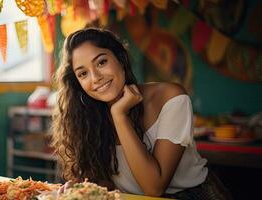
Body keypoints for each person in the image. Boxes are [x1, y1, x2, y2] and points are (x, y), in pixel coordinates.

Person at [50, 27, 231, 199]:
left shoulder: (171, 97)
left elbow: (154, 187)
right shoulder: (88, 117)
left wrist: (119, 116)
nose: (95, 78)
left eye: (101, 62)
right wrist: (82, 187)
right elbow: (109, 183)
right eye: (83, 74)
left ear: (120, 59)